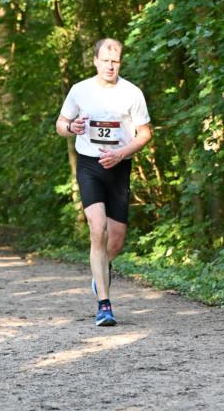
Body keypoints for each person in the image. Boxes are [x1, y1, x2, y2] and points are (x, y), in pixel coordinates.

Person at [56, 38, 152, 326]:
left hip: (119, 167)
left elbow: (145, 134)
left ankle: (100, 274)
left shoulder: (132, 93)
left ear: (120, 62)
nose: (111, 65)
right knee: (97, 229)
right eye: (106, 60)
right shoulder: (80, 90)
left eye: (116, 61)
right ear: (96, 61)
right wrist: (71, 127)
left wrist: (121, 153)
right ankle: (104, 305)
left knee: (116, 240)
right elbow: (60, 125)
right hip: (90, 166)